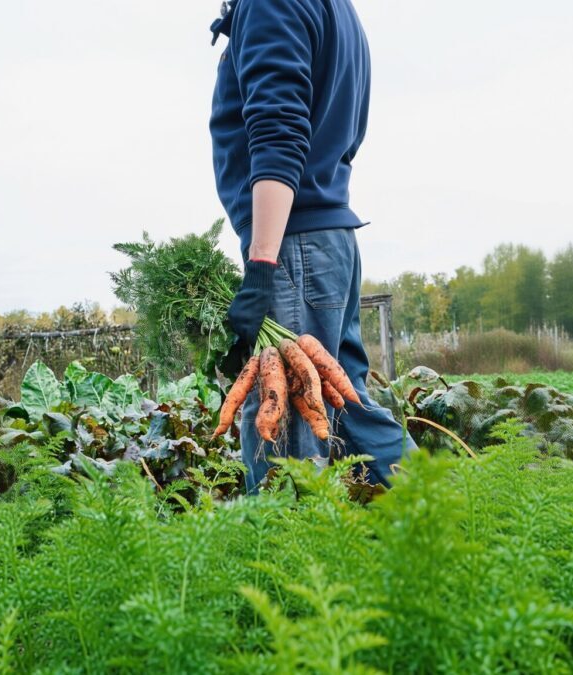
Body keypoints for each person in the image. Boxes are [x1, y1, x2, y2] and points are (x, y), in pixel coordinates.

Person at [209, 0, 416, 493]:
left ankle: (283, 559)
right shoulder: (338, 9)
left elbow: (278, 132)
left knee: (283, 426)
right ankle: (452, 511)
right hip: (328, 242)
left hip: (292, 246)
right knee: (348, 409)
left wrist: (261, 269)